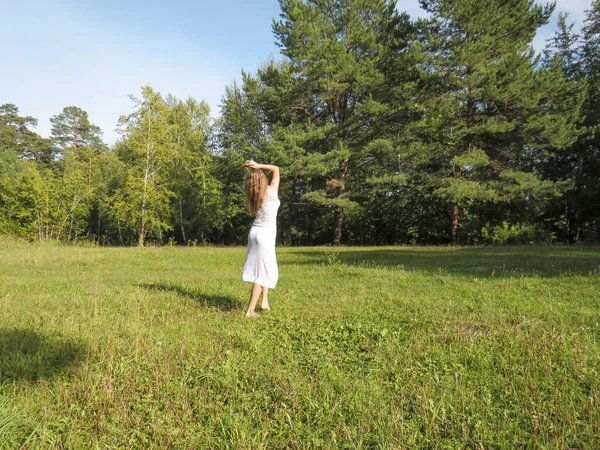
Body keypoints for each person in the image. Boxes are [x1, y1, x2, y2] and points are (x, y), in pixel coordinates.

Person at [242, 159, 280, 318]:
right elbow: (276, 169)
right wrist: (258, 166)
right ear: (263, 179)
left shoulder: (254, 196)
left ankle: (264, 301)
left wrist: (254, 169)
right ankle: (250, 311)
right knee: (262, 273)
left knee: (264, 268)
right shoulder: (271, 191)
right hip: (265, 235)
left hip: (254, 233)